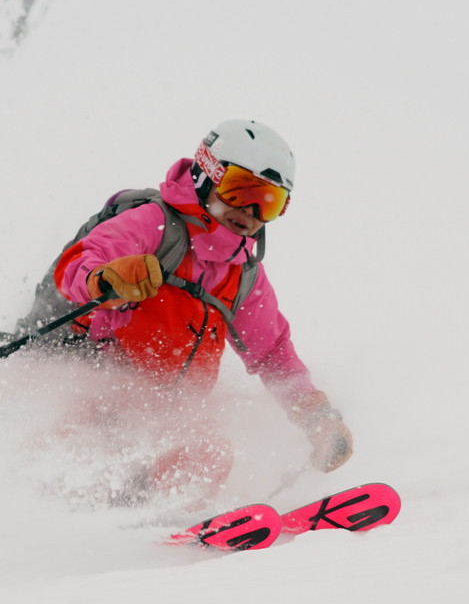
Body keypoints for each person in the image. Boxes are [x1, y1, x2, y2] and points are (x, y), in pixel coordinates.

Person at [48, 119, 353, 502]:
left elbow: (273, 353)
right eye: (240, 191)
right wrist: (104, 278)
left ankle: (151, 520)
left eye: (269, 202)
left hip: (168, 407)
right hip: (99, 382)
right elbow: (78, 263)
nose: (252, 211)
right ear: (208, 174)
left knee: (208, 452)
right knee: (70, 445)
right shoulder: (155, 225)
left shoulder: (244, 276)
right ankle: (51, 506)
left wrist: (317, 416)